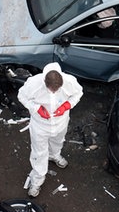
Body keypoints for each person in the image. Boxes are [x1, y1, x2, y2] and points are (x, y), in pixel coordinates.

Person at [17, 62, 83, 197]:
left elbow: (78, 93)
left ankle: (54, 155)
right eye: (51, 90)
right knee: (39, 153)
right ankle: (37, 180)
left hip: (60, 122)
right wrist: (37, 109)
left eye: (56, 90)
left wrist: (66, 106)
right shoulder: (33, 84)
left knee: (58, 141)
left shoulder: (69, 81)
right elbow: (21, 96)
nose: (53, 92)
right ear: (45, 83)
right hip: (40, 126)